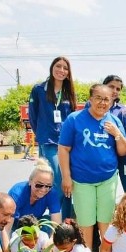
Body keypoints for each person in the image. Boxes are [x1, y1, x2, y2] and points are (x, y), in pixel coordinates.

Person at [58, 84, 126, 252]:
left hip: (108, 179)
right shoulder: (74, 119)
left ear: (112, 101)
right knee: (85, 221)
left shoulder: (114, 121)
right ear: (90, 99)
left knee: (105, 219)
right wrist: (66, 177)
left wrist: (117, 134)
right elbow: (63, 149)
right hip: (82, 180)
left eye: (107, 99)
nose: (102, 103)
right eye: (98, 98)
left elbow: (124, 150)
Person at [28, 56, 77, 219]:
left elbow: (72, 118)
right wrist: (42, 134)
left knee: (67, 182)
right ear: (52, 68)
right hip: (49, 142)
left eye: (65, 68)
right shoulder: (39, 89)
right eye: (58, 66)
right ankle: (56, 220)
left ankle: (67, 220)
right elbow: (33, 117)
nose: (61, 70)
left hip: (67, 143)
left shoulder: (69, 92)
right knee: (57, 181)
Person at [7, 158, 62, 232]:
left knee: (48, 222)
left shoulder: (52, 193)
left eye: (48, 186)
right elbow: (6, 228)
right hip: (15, 225)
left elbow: (56, 225)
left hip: (35, 224)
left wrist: (51, 242)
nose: (43, 189)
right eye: (39, 185)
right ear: (30, 181)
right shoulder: (17, 193)